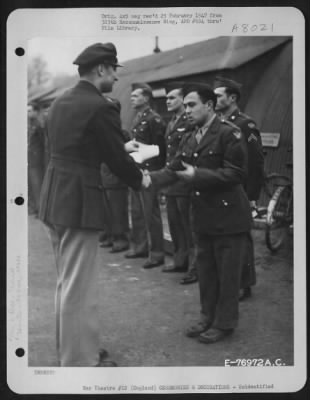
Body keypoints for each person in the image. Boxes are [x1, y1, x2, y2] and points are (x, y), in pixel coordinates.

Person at [39, 42, 148, 367]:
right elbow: (115, 158)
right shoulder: (101, 106)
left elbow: (78, 145)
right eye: (113, 70)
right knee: (79, 287)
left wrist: (117, 145)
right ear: (101, 69)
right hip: (78, 201)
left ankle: (73, 348)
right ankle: (79, 361)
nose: (115, 77)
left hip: (55, 196)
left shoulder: (60, 102)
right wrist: (139, 177)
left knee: (67, 282)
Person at [150, 83, 252, 343]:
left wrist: (198, 175)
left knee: (227, 275)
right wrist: (146, 179)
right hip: (203, 215)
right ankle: (207, 317)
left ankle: (224, 323)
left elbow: (237, 173)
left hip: (229, 216)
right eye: (185, 105)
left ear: (209, 105)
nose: (187, 110)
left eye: (192, 104)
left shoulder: (230, 133)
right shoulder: (190, 135)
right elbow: (173, 169)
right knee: (206, 272)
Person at [213, 76, 265, 301]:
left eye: (218, 96)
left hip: (240, 190)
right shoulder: (218, 123)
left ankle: (245, 283)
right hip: (223, 190)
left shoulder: (246, 124)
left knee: (242, 237)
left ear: (232, 98)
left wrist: (252, 195)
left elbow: (256, 162)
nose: (214, 100)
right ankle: (231, 279)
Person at [125, 82, 166, 269]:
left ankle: (156, 253)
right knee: (137, 211)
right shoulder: (138, 118)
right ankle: (140, 247)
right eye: (131, 96)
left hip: (148, 171)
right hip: (137, 169)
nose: (132, 99)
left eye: (136, 96)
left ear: (146, 98)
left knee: (150, 213)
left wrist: (153, 171)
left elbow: (158, 149)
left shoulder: (154, 119)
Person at [161, 83, 198, 284]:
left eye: (172, 98)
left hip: (183, 181)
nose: (168, 101)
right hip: (171, 182)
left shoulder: (189, 121)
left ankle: (194, 267)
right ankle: (180, 260)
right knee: (174, 224)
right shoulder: (171, 122)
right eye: (166, 98)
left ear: (183, 101)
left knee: (188, 226)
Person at [99, 98, 130, 253]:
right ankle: (110, 235)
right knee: (107, 210)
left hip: (116, 177)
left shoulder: (121, 132)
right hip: (104, 175)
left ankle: (121, 239)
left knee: (118, 210)